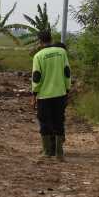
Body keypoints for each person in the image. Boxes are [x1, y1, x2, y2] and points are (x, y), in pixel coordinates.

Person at [32, 30, 71, 161]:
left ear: (40, 42)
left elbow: (36, 78)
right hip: (60, 93)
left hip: (44, 95)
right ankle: (59, 154)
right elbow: (67, 73)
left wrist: (34, 95)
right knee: (58, 123)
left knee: (44, 123)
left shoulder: (38, 56)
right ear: (51, 39)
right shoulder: (62, 52)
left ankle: (46, 152)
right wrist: (67, 91)